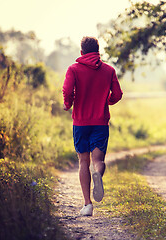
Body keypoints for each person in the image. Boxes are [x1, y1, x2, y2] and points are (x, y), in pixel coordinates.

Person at [62, 36, 123, 216]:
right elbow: (118, 94)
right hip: (100, 122)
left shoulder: (73, 69)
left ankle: (88, 205)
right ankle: (98, 174)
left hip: (80, 123)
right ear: (98, 51)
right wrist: (107, 101)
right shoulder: (109, 70)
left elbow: (67, 90)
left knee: (83, 162)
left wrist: (68, 103)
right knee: (98, 161)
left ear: (81, 52)